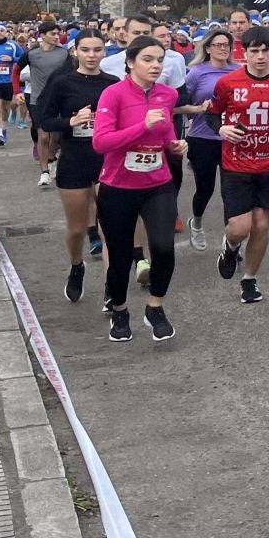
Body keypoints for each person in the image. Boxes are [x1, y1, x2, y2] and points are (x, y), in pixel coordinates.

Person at [92, 36, 187, 342]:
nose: (156, 65)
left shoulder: (168, 94)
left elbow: (166, 132)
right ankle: (119, 310)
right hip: (118, 186)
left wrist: (174, 145)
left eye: (160, 59)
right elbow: (101, 142)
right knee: (119, 256)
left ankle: (155, 307)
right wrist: (141, 127)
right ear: (131, 62)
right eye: (148, 59)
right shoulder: (113, 94)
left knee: (163, 248)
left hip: (157, 184)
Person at [209, 27, 269, 305]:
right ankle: (230, 247)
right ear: (244, 53)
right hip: (236, 164)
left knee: (261, 225)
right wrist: (222, 128)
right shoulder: (228, 83)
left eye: (265, 50)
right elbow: (211, 116)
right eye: (254, 51)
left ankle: (249, 279)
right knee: (239, 227)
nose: (260, 57)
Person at [38, 32, 116, 303]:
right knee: (76, 229)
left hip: (106, 160)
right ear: (76, 52)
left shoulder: (113, 83)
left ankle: (111, 286)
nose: (92, 55)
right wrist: (71, 122)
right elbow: (45, 120)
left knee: (109, 226)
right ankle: (76, 266)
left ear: (104, 52)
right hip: (74, 159)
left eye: (97, 50)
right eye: (86, 50)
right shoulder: (62, 83)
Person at [179, 30, 237, 252]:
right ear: (208, 48)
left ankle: (231, 240)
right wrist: (197, 109)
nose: (223, 49)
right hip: (203, 137)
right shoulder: (196, 73)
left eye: (226, 45)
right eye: (218, 45)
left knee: (230, 190)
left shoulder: (238, 70)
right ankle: (197, 223)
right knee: (205, 188)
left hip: (231, 138)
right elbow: (180, 104)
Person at [21, 21, 70, 188]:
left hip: (58, 100)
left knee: (56, 136)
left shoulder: (64, 54)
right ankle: (44, 172)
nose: (57, 37)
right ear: (42, 36)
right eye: (53, 34)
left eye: (58, 34)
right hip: (38, 100)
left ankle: (52, 159)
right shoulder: (32, 54)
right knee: (43, 136)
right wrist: (15, 91)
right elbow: (16, 70)